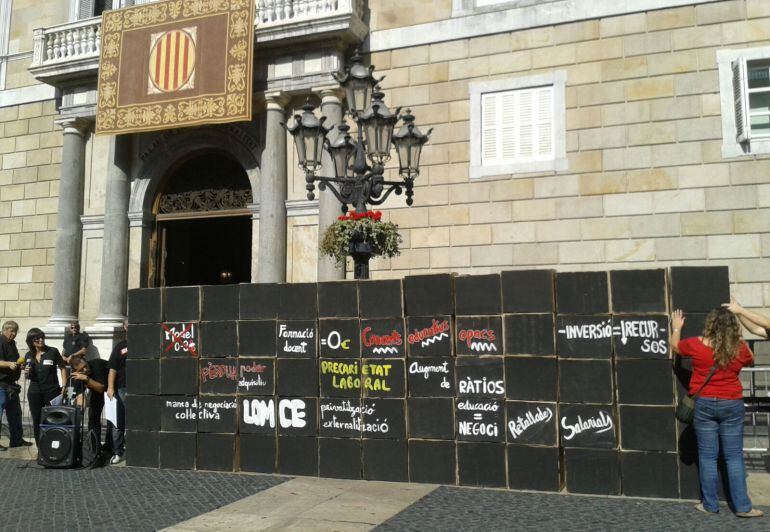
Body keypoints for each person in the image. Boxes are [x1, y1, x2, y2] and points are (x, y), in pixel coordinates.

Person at [670, 307, 763, 518]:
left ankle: (710, 505)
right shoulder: (739, 349)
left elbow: (675, 346)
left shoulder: (696, 344)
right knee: (733, 457)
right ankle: (743, 508)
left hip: (704, 405)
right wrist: (737, 334)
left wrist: (676, 327)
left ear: (710, 324)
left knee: (707, 456)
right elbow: (751, 357)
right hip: (732, 404)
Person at [24, 328, 67, 445]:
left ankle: (53, 445)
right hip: (34, 392)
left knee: (53, 419)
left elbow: (63, 368)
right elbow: (27, 376)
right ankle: (40, 447)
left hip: (52, 391)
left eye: (42, 337)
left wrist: (64, 386)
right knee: (37, 419)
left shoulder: (52, 351)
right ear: (31, 341)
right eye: (37, 338)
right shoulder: (28, 355)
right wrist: (26, 372)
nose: (41, 340)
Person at [0, 321, 32, 449]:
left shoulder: (12, 344)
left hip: (11, 385)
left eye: (15, 331)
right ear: (5, 330)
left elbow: (15, 360)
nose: (13, 334)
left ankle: (17, 439)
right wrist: (9, 364)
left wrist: (20, 365)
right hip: (1, 385)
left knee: (15, 414)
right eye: (11, 331)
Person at [69, 356, 108, 449]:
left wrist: (86, 378)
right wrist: (79, 410)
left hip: (111, 386)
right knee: (93, 418)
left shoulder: (97, 365)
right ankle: (94, 446)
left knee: (112, 421)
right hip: (95, 389)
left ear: (86, 361)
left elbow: (101, 389)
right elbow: (79, 395)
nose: (85, 369)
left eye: (85, 366)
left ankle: (110, 447)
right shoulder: (75, 376)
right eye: (82, 369)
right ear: (76, 371)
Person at [106, 321, 128, 464]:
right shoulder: (120, 347)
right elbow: (112, 369)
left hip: (142, 389)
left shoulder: (146, 342)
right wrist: (110, 387)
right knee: (118, 422)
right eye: (128, 324)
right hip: (122, 388)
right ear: (125, 327)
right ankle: (118, 452)